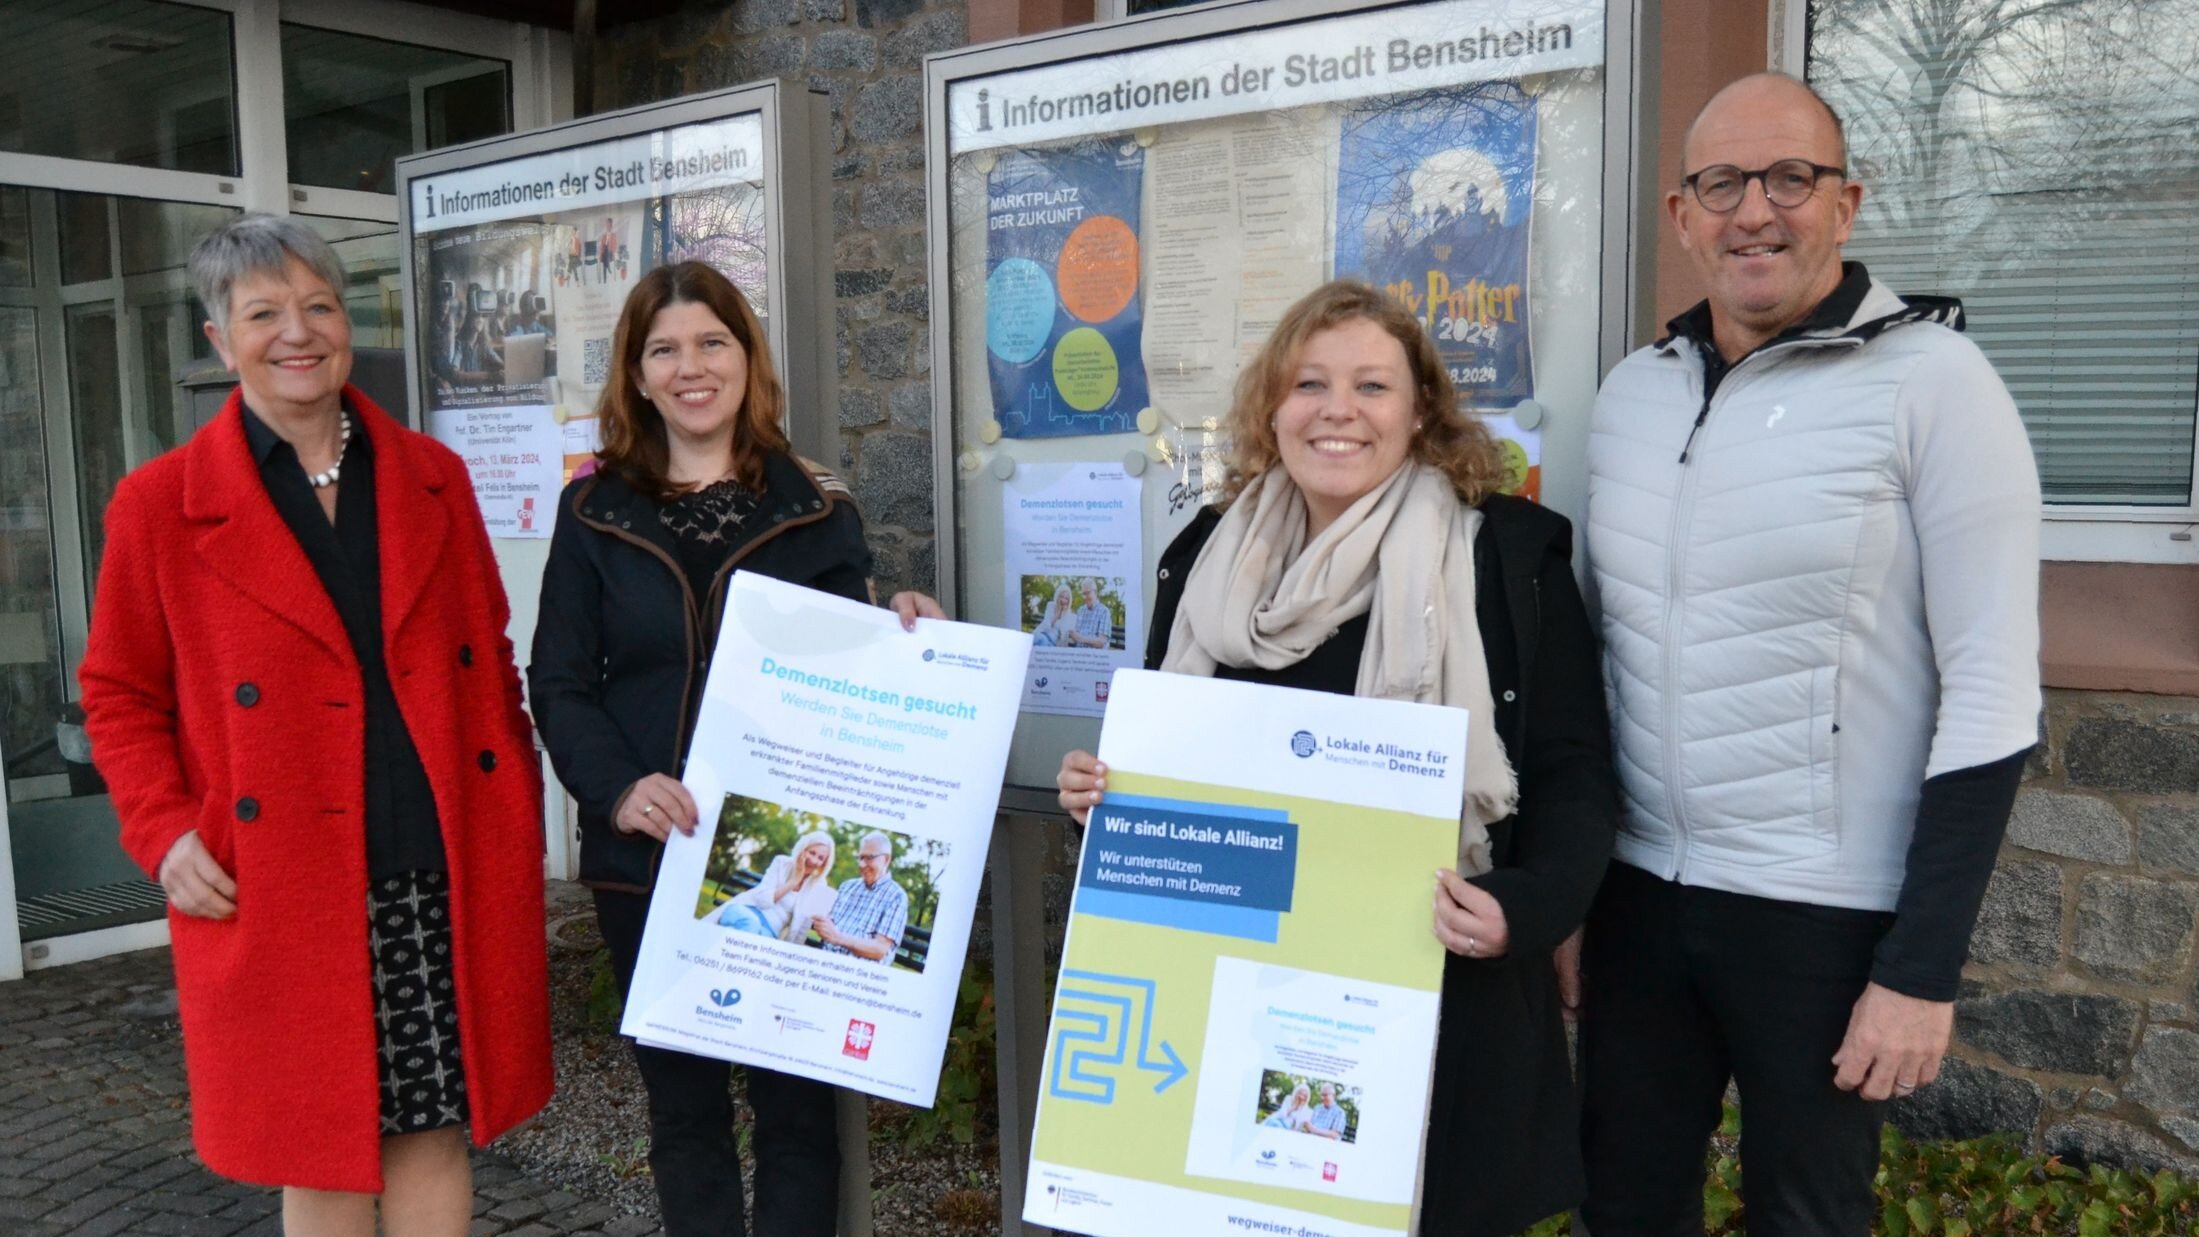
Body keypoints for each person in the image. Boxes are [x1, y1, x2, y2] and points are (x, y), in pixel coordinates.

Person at [1578, 73, 2041, 1236]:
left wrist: (1921, 967)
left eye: (1792, 178)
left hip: (1822, 914)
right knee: (1622, 1208)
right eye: (1722, 184)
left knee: (1808, 1217)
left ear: (1848, 204)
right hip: (1638, 896)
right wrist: (1566, 894)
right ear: (1681, 216)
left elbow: (1991, 691)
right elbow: (1594, 659)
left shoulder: (1936, 385)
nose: (1757, 212)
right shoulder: (1634, 394)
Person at [1056, 279, 1616, 1236]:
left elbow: (1570, 767)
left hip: (1432, 980)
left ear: (1420, 411)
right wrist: (1104, 790)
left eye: (1371, 387)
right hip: (1223, 977)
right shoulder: (1205, 557)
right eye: (1309, 383)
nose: (1338, 412)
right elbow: (1167, 744)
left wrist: (1526, 907)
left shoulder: (1502, 555)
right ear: (1271, 405)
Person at [77, 213, 552, 1235]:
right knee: (324, 1143)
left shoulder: (432, 473)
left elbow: (492, 654)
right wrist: (161, 832)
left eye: (319, 306)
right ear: (220, 339)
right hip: (280, 870)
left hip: (434, 854)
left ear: (348, 322)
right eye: (263, 313)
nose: (297, 332)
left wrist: (510, 785)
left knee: (431, 1125)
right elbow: (118, 693)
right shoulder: (161, 504)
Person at [528, 260, 942, 1237]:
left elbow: (850, 667)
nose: (690, 366)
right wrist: (619, 788)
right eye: (663, 348)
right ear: (635, 374)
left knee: (799, 1118)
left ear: (747, 359)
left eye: (712, 341)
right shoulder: (593, 516)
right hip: (652, 860)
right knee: (685, 1114)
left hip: (791, 857)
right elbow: (558, 681)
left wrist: (907, 632)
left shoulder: (816, 506)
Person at [717, 831, 837, 942]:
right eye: (812, 853)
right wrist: (794, 881)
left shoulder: (819, 885)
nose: (814, 860)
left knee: (754, 939)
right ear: (802, 850)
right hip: (746, 911)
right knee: (750, 926)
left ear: (824, 864)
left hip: (769, 931)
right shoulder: (781, 862)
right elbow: (762, 902)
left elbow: (803, 927)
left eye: (821, 858)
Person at [814, 830, 908, 965]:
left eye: (869, 858)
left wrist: (837, 937)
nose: (862, 864)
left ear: (886, 859)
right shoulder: (847, 886)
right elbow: (829, 925)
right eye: (860, 857)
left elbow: (879, 950)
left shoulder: (897, 896)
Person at [1068, 576, 1114, 648]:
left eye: (1088, 593)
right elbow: (1075, 636)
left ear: (1095, 592)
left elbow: (1101, 642)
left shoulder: (1104, 611)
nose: (1085, 597)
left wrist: (1080, 639)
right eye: (1083, 594)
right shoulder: (1080, 610)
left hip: (1095, 657)